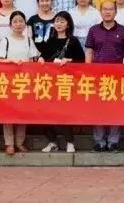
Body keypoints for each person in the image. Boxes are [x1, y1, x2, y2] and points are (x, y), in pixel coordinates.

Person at [85, 1, 124, 152]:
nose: (108, 12)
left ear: (115, 12)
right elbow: (89, 51)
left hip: (117, 76)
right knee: (97, 108)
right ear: (100, 12)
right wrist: (88, 71)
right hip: (97, 76)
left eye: (111, 9)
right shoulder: (93, 30)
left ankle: (113, 141)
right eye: (105, 9)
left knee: (115, 109)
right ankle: (99, 141)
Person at [0, 11, 41, 155]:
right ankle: (9, 143)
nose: (18, 24)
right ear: (10, 25)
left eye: (21, 21)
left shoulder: (28, 40)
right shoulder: (6, 40)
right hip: (8, 81)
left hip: (25, 81)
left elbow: (35, 58)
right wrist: (11, 61)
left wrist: (40, 59)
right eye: (15, 21)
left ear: (25, 24)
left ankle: (19, 142)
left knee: (23, 112)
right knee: (8, 113)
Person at [39, 11, 86, 154]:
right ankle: (52, 141)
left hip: (67, 83)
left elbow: (82, 61)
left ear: (68, 24)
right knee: (45, 113)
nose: (59, 24)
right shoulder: (50, 40)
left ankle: (70, 141)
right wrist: (41, 59)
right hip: (50, 82)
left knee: (64, 113)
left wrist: (70, 60)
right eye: (57, 21)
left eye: (62, 21)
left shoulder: (73, 41)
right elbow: (44, 57)